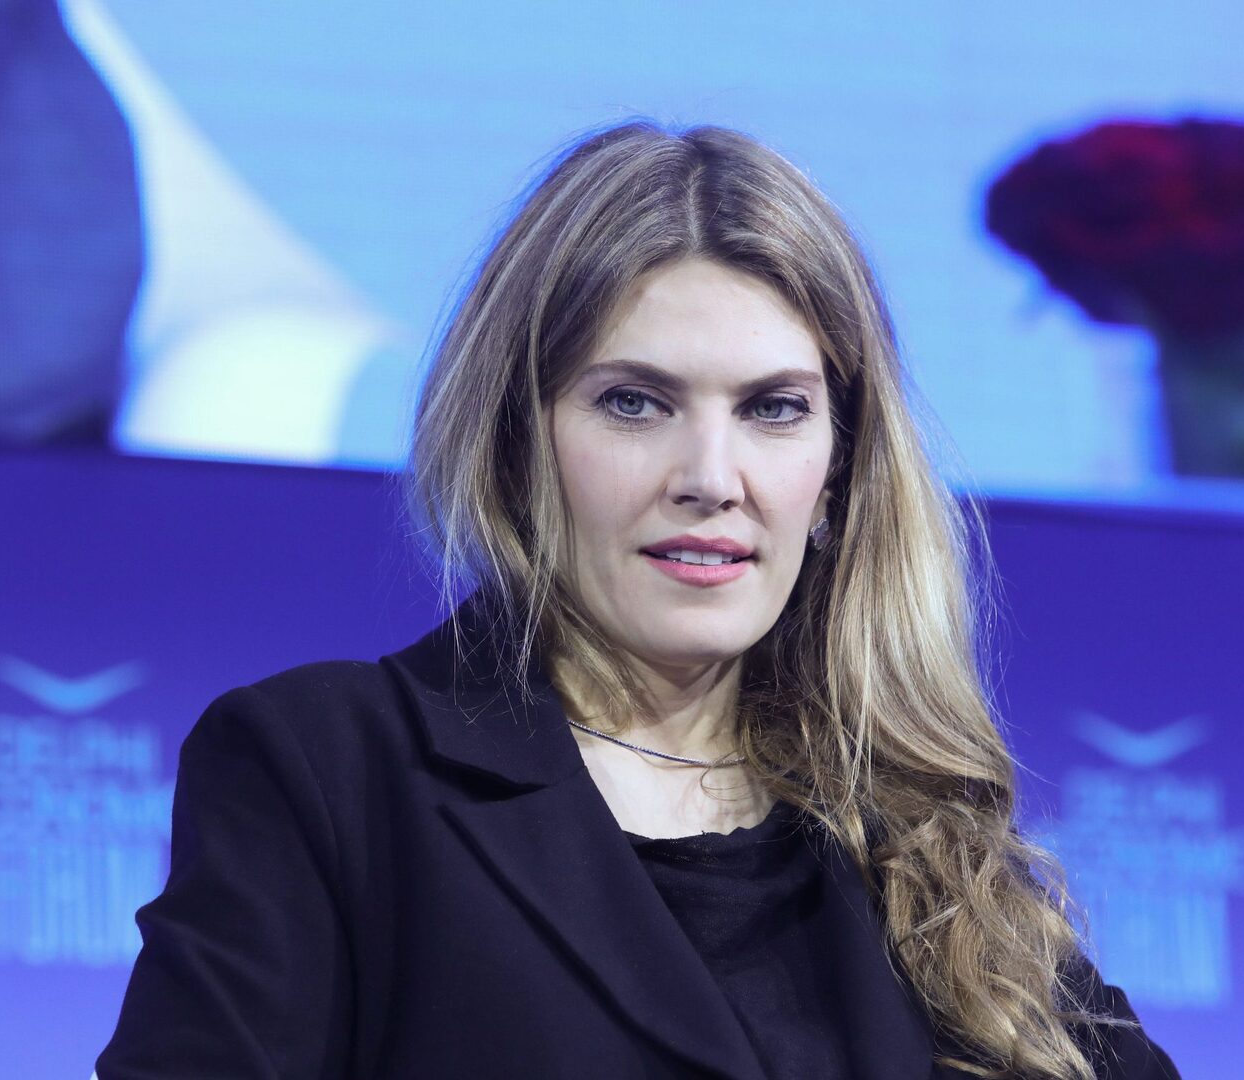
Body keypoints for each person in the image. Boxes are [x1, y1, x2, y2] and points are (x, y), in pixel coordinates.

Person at [94, 120, 1180, 1079]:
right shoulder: (329, 771)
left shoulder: (917, 832)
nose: (711, 478)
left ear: (837, 474)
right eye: (633, 403)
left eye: (773, 409)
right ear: (517, 440)